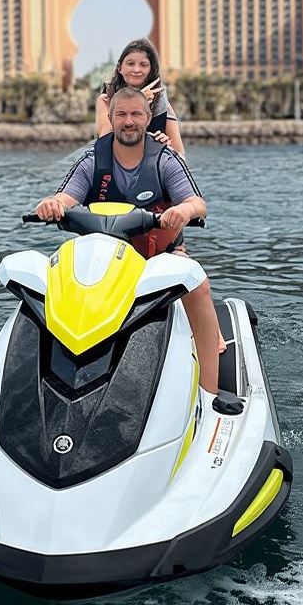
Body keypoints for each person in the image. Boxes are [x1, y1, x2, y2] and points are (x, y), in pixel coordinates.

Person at [35, 86, 225, 397]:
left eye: (136, 114)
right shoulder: (91, 160)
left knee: (198, 284)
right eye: (121, 114)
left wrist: (182, 210)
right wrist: (52, 204)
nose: (128, 121)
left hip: (157, 258)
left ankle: (210, 391)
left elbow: (197, 203)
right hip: (102, 258)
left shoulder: (164, 159)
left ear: (148, 119)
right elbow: (65, 197)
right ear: (110, 118)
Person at [95, 38, 187, 157]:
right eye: (130, 63)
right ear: (120, 68)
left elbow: (180, 155)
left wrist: (165, 145)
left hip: (149, 165)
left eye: (143, 65)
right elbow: (105, 140)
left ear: (151, 70)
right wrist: (138, 100)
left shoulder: (160, 101)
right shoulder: (106, 97)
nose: (136, 70)